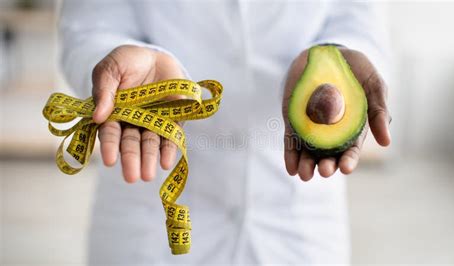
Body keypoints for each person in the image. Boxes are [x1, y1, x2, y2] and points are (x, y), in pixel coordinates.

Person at [60, 0, 391, 265]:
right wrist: (117, 62)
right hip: (147, 217)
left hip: (296, 219)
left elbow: (360, 24)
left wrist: (335, 59)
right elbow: (89, 27)